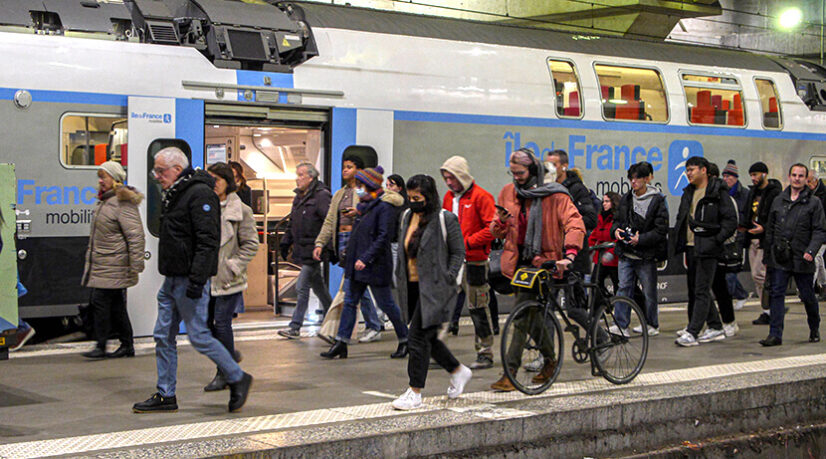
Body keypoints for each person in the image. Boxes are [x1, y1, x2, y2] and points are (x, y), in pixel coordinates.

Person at [133, 147, 251, 414]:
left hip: (189, 280)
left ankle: (237, 376)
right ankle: (166, 395)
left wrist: (198, 281)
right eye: (156, 170)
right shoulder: (176, 193)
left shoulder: (200, 195)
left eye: (161, 171)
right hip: (172, 280)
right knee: (163, 335)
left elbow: (207, 241)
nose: (157, 176)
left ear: (177, 169)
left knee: (198, 336)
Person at [489, 148, 585, 392]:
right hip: (517, 263)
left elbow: (575, 223)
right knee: (531, 316)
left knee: (522, 314)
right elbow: (496, 231)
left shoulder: (555, 195)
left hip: (544, 263)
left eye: (520, 172)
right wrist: (499, 222)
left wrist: (570, 254)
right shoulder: (508, 192)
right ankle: (551, 360)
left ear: (532, 170)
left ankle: (510, 373)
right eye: (513, 173)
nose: (516, 177)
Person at [391, 175, 471, 410]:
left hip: (436, 289)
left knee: (415, 338)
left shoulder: (445, 219)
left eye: (418, 198)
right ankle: (458, 371)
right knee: (428, 338)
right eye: (410, 197)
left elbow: (458, 252)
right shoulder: (407, 217)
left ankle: (414, 391)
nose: (413, 201)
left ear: (429, 197)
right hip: (412, 286)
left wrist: (448, 276)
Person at [320, 166, 410, 359]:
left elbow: (383, 237)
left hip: (375, 265)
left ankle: (405, 339)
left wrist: (365, 258)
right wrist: (350, 254)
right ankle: (341, 342)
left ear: (368, 185)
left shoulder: (383, 207)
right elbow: (359, 234)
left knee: (386, 304)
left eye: (360, 185)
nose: (357, 189)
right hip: (357, 262)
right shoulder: (363, 206)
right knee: (350, 302)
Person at [313, 148, 386, 343]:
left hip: (358, 242)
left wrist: (359, 212)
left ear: (359, 170)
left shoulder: (362, 191)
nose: (344, 170)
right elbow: (329, 221)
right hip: (343, 240)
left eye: (349, 167)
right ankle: (372, 324)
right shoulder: (339, 194)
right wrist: (320, 242)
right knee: (357, 285)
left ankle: (340, 332)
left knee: (352, 285)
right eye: (344, 167)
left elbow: (373, 210)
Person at [80, 161, 145, 359]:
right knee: (116, 305)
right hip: (104, 264)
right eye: (99, 177)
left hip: (114, 265)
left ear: (115, 179)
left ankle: (101, 345)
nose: (100, 181)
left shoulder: (122, 203)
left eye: (104, 177)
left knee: (100, 302)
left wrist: (136, 265)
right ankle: (127, 345)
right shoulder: (106, 201)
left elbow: (135, 235)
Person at [203, 162, 259, 391]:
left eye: (217, 179)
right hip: (207, 276)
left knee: (221, 323)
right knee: (206, 325)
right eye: (210, 179)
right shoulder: (205, 206)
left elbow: (251, 244)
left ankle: (224, 372)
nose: (213, 184)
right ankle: (229, 356)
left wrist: (233, 265)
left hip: (228, 277)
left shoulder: (241, 210)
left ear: (228, 182)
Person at [671, 156, 737, 347]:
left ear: (703, 170)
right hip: (691, 247)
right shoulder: (689, 192)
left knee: (701, 289)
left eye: (691, 169)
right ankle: (715, 326)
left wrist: (715, 240)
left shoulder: (717, 192)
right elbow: (682, 217)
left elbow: (730, 221)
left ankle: (693, 332)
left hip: (708, 248)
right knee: (696, 289)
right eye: (687, 170)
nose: (688, 173)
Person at [760, 164, 826, 346]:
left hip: (802, 257)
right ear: (789, 177)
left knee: (807, 296)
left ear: (806, 179)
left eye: (801, 176)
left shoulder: (814, 203)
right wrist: (769, 254)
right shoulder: (779, 200)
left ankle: (814, 327)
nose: (797, 178)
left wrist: (811, 251)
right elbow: (771, 228)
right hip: (780, 257)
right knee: (777, 294)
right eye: (794, 175)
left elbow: (820, 230)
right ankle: (775, 334)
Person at [440, 156, 497, 370]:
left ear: (461, 176)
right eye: (446, 178)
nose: (448, 182)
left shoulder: (482, 197)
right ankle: (439, 351)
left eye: (451, 178)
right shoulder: (448, 198)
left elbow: (492, 229)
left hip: (475, 262)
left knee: (478, 307)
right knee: (443, 306)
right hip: (452, 261)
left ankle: (485, 352)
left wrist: (468, 243)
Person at [611, 161, 668, 337]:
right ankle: (621, 324)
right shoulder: (626, 198)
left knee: (649, 292)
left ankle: (652, 323)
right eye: (631, 178)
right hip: (626, 253)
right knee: (623, 288)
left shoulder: (657, 200)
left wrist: (641, 239)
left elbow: (661, 230)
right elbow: (617, 221)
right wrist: (616, 231)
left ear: (647, 179)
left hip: (646, 255)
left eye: (637, 178)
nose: (633, 182)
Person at [277, 163, 334, 339]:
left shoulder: (321, 196)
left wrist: (325, 245)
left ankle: (295, 327)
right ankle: (332, 316)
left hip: (314, 249)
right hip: (303, 249)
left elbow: (329, 221)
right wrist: (285, 242)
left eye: (301, 175)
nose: (297, 178)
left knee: (302, 286)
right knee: (319, 288)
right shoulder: (299, 197)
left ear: (311, 177)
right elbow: (292, 222)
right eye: (297, 174)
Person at [741, 161, 782, 325]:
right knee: (756, 276)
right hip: (752, 237)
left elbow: (776, 216)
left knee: (761, 275)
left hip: (766, 239)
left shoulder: (774, 193)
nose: (753, 178)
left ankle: (773, 308)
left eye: (755, 174)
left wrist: (764, 228)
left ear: (764, 174)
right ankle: (767, 309)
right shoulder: (752, 193)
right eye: (751, 175)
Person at [721, 160, 750, 310]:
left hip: (738, 235)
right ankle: (741, 294)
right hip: (725, 235)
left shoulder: (744, 194)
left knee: (731, 271)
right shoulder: (721, 193)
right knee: (726, 269)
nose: (726, 179)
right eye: (724, 176)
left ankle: (731, 299)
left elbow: (748, 215)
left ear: (736, 177)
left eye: (729, 176)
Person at [589, 192, 622, 292]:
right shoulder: (601, 217)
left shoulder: (617, 218)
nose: (604, 204)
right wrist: (588, 247)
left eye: (607, 201)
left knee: (618, 285)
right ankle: (603, 304)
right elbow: (594, 235)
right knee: (595, 282)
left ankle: (619, 304)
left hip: (613, 258)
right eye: (603, 201)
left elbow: (618, 238)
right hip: (600, 257)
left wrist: (611, 252)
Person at [806, 169, 826, 299]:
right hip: (810, 232)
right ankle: (824, 285)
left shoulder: (823, 195)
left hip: (822, 232)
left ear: (816, 180)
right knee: (819, 260)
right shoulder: (806, 194)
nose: (807, 183)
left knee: (816, 258)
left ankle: (807, 290)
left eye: (809, 181)